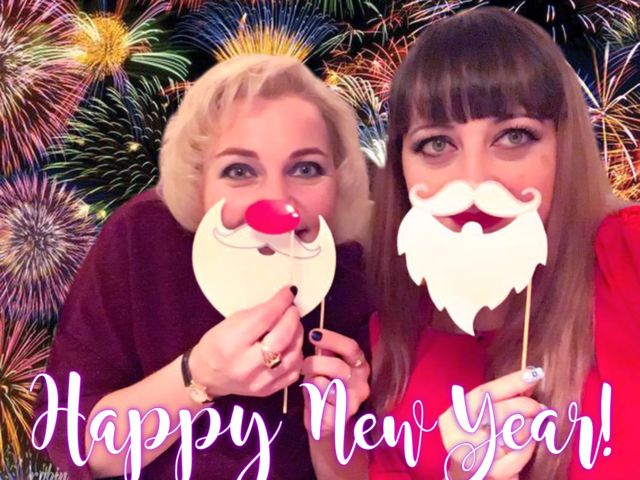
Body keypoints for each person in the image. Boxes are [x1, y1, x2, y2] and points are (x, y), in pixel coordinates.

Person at [33, 54, 372, 480]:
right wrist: (200, 376)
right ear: (199, 180)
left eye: (306, 169)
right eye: (239, 170)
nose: (275, 201)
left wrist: (330, 434)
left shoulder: (352, 277)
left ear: (338, 181)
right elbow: (74, 445)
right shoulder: (141, 241)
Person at [367, 8, 639, 479]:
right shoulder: (393, 334)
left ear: (564, 147)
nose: (474, 180)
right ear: (401, 168)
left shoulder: (629, 255)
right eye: (436, 144)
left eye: (514, 136)